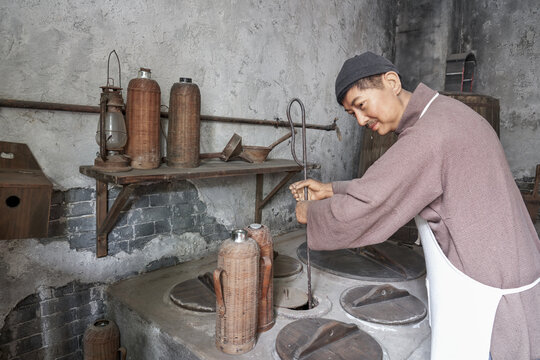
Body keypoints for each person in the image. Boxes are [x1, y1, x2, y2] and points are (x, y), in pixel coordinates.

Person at [289, 51, 540, 360]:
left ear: (391, 82)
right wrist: (331, 188)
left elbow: (373, 202)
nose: (361, 120)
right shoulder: (447, 113)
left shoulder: (428, 135)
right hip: (515, 269)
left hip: (489, 294)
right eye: (352, 114)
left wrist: (310, 214)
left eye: (361, 105)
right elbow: (390, 183)